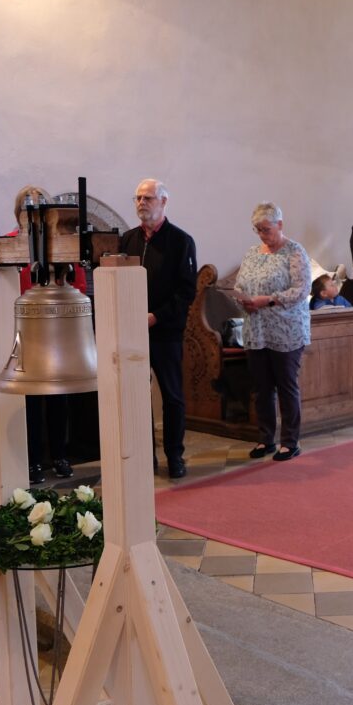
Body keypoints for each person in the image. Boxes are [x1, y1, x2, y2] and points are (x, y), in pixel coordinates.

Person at [117, 178, 198, 479]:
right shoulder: (127, 240)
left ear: (163, 202)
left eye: (148, 198)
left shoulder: (180, 241)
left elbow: (186, 291)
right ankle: (144, 454)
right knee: (137, 394)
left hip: (164, 331)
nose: (141, 203)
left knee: (172, 396)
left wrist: (157, 316)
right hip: (133, 332)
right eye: (138, 198)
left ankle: (174, 455)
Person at [11, 186, 87, 485]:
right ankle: (32, 461)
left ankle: (59, 455)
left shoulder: (65, 247)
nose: (35, 213)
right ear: (18, 213)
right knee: (28, 402)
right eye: (28, 207)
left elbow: (79, 285)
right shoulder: (10, 246)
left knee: (58, 399)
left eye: (42, 207)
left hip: (57, 334)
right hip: (23, 333)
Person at [232, 202, 311, 461]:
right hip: (257, 329)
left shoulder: (295, 252)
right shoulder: (253, 253)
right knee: (262, 388)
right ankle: (265, 439)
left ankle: (290, 441)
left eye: (266, 229)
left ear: (280, 224)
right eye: (258, 230)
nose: (262, 235)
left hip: (287, 330)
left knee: (286, 386)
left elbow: (300, 290)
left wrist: (268, 299)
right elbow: (239, 284)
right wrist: (242, 299)